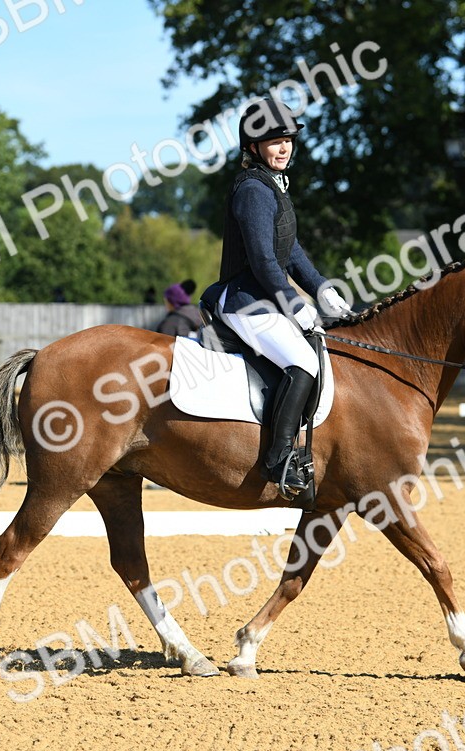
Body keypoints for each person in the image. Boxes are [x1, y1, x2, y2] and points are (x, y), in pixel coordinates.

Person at [200, 98, 353, 498]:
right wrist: (294, 302)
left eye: (287, 140)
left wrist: (321, 287)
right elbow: (263, 259)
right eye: (273, 141)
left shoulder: (272, 185)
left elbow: (291, 248)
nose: (283, 147)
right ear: (253, 147)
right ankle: (280, 458)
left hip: (264, 299)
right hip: (245, 301)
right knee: (303, 362)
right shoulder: (253, 189)